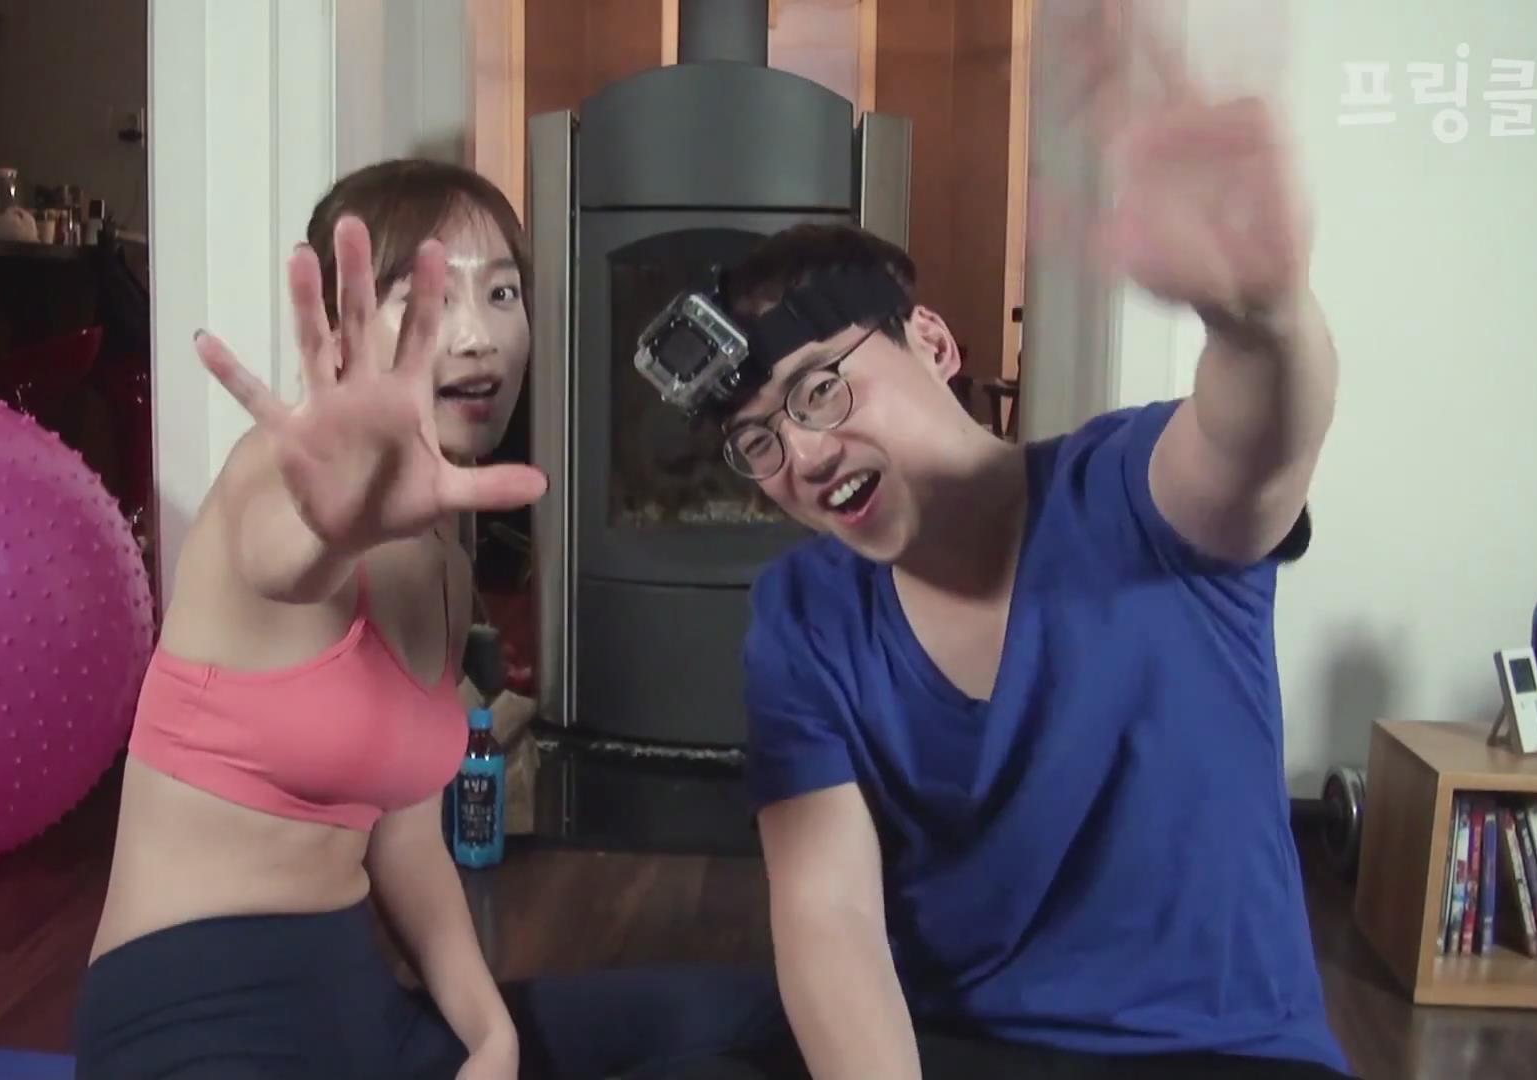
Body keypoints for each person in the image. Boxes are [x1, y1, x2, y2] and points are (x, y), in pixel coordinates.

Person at [626, 9, 1351, 1080]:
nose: (803, 455)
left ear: (929, 341)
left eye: (820, 388)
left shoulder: (1131, 493)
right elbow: (830, 918)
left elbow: (1255, 449)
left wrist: (1263, 318)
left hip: (1218, 1054)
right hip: (950, 1048)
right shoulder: (806, 611)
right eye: (758, 441)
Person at [75, 159, 797, 1080]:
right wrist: (330, 526)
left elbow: (406, 835)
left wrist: (491, 1034)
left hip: (362, 1019)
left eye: (501, 294)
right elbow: (286, 559)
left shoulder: (446, 559)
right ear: (342, 333)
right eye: (425, 297)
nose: (477, 336)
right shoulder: (274, 474)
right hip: (190, 1029)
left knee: (764, 1017)